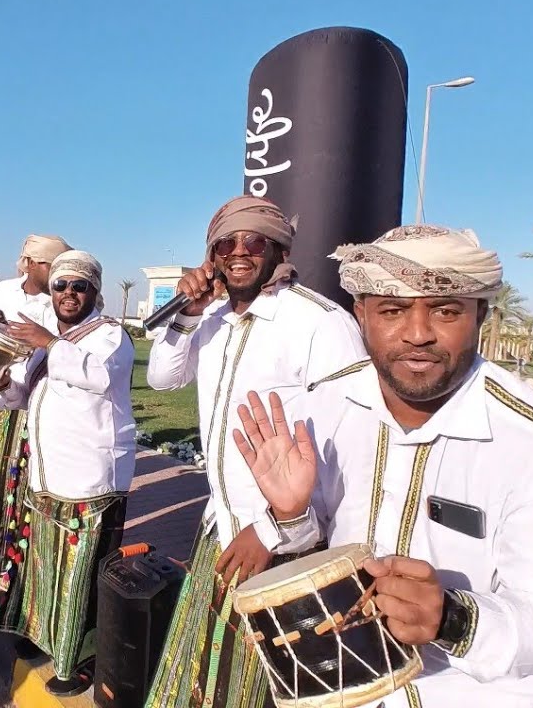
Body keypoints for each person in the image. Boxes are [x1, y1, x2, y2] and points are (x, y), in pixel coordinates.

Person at [232, 225, 533, 707]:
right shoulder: (325, 405)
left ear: (481, 315)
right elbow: (320, 549)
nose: (418, 334)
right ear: (361, 314)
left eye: (445, 310)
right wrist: (292, 517)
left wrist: (453, 619)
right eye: (392, 310)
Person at [145, 196, 367, 708]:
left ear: (278, 249)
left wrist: (271, 528)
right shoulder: (212, 318)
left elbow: (349, 448)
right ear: (212, 256)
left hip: (284, 538)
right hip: (221, 526)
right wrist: (188, 316)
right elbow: (161, 377)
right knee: (201, 675)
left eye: (254, 241)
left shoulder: (320, 322)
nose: (239, 252)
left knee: (266, 686)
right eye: (226, 243)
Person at [0, 250, 136, 695]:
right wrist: (0, 378)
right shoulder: (51, 340)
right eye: (61, 285)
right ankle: (46, 639)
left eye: (80, 286)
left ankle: (84, 658)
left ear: (96, 291)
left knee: (85, 578)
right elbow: (21, 396)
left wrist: (48, 343)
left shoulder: (110, 335)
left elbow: (96, 375)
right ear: (51, 290)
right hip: (48, 476)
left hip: (93, 478)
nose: (69, 294)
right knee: (47, 568)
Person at [0, 235, 72, 584]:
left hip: (40, 412)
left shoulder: (61, 302)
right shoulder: (2, 291)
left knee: (27, 494)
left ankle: (20, 569)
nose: (58, 273)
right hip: (0, 402)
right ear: (30, 263)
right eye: (51, 265)